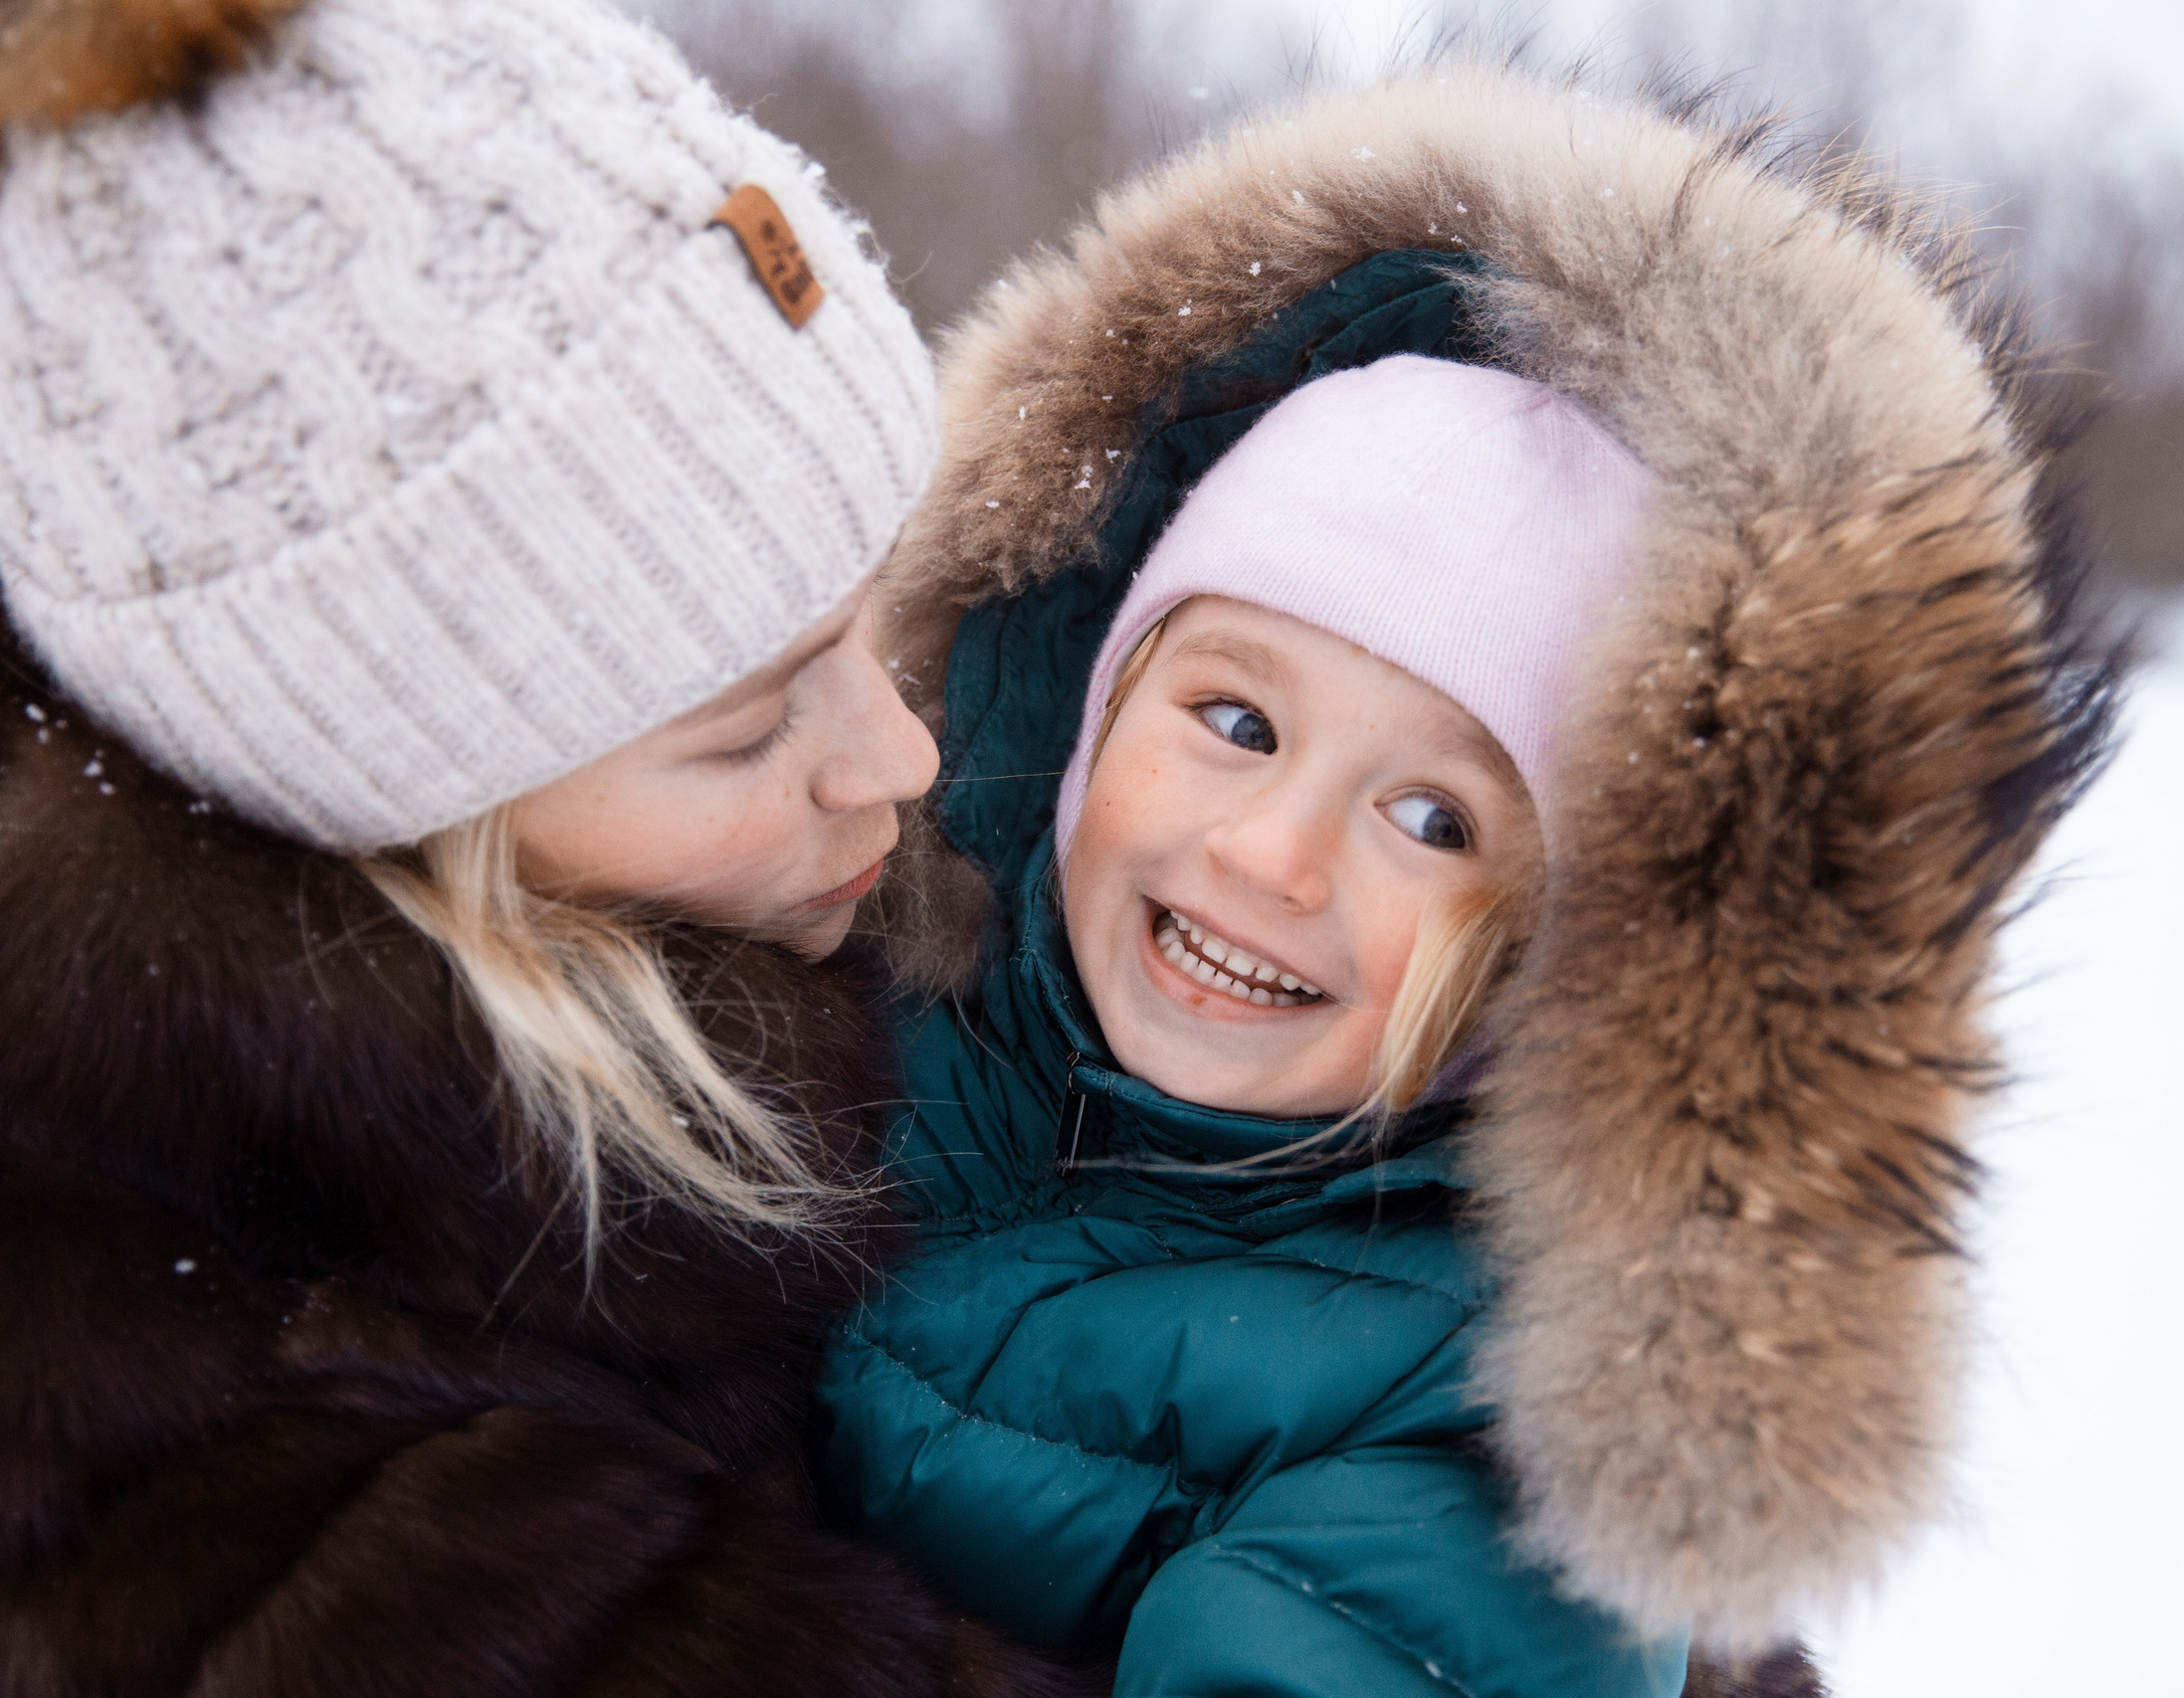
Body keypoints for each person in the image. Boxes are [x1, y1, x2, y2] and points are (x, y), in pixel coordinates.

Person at [0, 1, 1085, 1693]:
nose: (900, 755)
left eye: (866, 627)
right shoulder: (185, 1510)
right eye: (747, 723)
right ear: (376, 798)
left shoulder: (625, 979)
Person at [823, 65, 2117, 1697]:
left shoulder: (1467, 1439)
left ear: (1574, 965)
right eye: (1234, 719)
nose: (1269, 855)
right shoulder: (817, 1032)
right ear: (1088, 708)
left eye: (1433, 820)